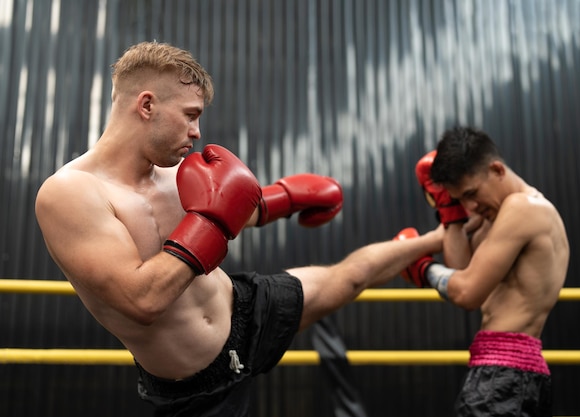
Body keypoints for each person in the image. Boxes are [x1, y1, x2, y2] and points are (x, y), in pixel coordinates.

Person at [34, 41, 442, 417]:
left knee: (350, 277)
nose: (196, 133)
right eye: (190, 116)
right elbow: (143, 301)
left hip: (244, 308)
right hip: (195, 387)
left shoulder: (174, 169)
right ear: (146, 105)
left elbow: (230, 209)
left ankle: (432, 239)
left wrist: (287, 198)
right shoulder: (71, 194)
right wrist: (211, 221)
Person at [398, 126, 570, 416]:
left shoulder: (523, 208)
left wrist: (425, 269)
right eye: (459, 200)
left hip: (503, 373)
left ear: (497, 169)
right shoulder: (492, 217)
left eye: (472, 193)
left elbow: (465, 292)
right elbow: (462, 271)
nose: (470, 206)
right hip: (513, 373)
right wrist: (450, 215)